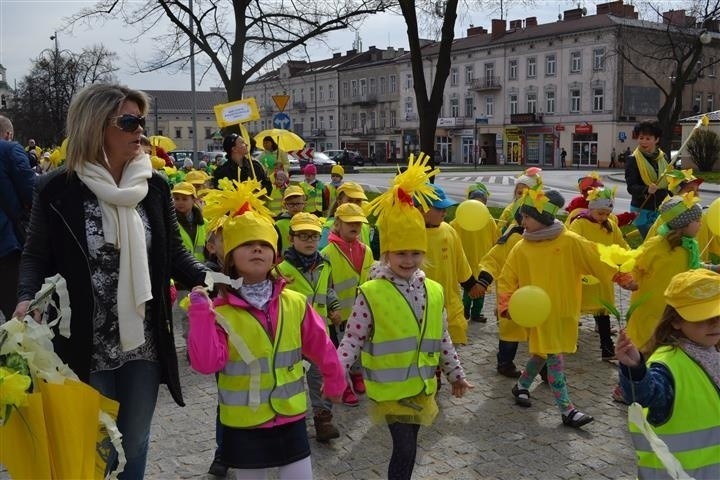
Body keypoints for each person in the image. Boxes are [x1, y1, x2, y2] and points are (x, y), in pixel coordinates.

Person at [13, 83, 207, 478]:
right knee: (97, 446)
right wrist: (25, 297)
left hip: (144, 342)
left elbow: (173, 253)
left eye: (142, 120)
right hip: (85, 340)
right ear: (95, 124)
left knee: (134, 441)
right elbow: (35, 254)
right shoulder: (57, 189)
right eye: (129, 121)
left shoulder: (154, 186)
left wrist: (215, 280)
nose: (141, 130)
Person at [187, 186, 345, 479]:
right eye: (247, 245)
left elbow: (321, 344)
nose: (257, 248)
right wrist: (200, 315)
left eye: (263, 244)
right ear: (230, 258)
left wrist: (335, 377)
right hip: (246, 424)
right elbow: (206, 363)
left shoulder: (295, 302)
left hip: (291, 416)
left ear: (275, 256)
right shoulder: (220, 311)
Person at [340, 155, 473, 480]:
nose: (408, 259)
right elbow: (352, 338)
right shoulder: (371, 291)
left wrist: (456, 375)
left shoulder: (434, 290)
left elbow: (442, 338)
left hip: (421, 385)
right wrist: (335, 373)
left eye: (415, 253)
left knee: (410, 445)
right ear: (386, 253)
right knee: (405, 447)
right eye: (400, 253)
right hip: (388, 390)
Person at [497, 186, 636, 429]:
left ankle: (521, 386)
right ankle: (567, 410)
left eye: (527, 217)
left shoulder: (570, 241)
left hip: (564, 311)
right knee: (554, 356)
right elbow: (507, 277)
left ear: (542, 218)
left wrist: (622, 277)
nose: (523, 221)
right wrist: (507, 302)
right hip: (538, 314)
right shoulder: (522, 247)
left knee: (542, 352)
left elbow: (598, 259)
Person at [615, 269, 719, 480]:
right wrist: (635, 369)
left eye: (719, 315)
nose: (715, 323)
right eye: (702, 318)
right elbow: (647, 394)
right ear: (675, 321)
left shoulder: (714, 350)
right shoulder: (667, 365)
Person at [277, 212, 343, 443]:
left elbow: (329, 289)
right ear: (291, 237)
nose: (309, 241)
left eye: (314, 236)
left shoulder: (324, 265)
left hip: (319, 333)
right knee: (290, 378)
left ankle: (323, 419)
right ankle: (287, 419)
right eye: (303, 235)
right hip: (291, 335)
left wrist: (334, 307)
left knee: (318, 376)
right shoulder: (282, 269)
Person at [321, 202, 374, 406]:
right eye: (350, 223)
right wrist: (332, 309)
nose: (355, 227)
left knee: (360, 347)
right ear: (338, 224)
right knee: (341, 351)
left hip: (361, 313)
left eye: (359, 223)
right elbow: (325, 286)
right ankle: (342, 385)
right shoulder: (327, 253)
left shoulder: (366, 250)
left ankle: (358, 375)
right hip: (339, 315)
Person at [568, 187, 629, 361]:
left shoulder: (611, 226)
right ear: (591, 208)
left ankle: (606, 346)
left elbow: (621, 244)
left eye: (607, 214)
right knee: (575, 307)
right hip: (584, 274)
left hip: (603, 275)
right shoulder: (579, 223)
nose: (603, 217)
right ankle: (570, 340)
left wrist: (628, 258)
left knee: (603, 310)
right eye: (600, 213)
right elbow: (572, 243)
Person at [420, 184, 484, 346]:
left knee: (450, 350)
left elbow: (460, 261)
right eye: (439, 209)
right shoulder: (413, 233)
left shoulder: (448, 231)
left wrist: (471, 285)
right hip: (422, 305)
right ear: (422, 209)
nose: (444, 212)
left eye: (445, 209)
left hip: (450, 302)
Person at [0, 115, 35, 321]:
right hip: (6, 244)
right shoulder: (9, 150)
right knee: (18, 322)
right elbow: (32, 192)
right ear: (9, 134)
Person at [449, 183, 498, 323]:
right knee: (471, 286)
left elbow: (495, 239)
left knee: (478, 287)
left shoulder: (487, 220)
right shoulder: (464, 220)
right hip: (470, 258)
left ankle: (472, 312)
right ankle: (468, 311)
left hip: (480, 258)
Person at [624, 121, 671, 239]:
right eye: (641, 138)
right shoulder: (633, 159)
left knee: (662, 242)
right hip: (642, 210)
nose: (643, 141)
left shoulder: (663, 158)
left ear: (656, 139)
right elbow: (631, 187)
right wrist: (646, 189)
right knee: (651, 242)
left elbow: (669, 179)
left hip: (662, 207)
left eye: (648, 138)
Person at [172, 181, 207, 262]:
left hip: (201, 268)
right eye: (176, 199)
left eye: (184, 199)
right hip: (180, 269)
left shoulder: (204, 222)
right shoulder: (170, 222)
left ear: (194, 200)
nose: (180, 202)